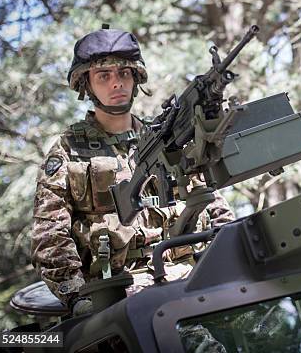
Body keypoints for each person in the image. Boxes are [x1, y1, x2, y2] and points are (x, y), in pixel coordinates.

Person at [31, 26, 235, 316]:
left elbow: (211, 202)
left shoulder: (166, 138)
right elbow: (49, 236)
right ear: (86, 85)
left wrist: (231, 253)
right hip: (120, 291)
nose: (117, 83)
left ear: (136, 78)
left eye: (124, 73)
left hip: (192, 275)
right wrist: (80, 298)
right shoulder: (68, 150)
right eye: (104, 76)